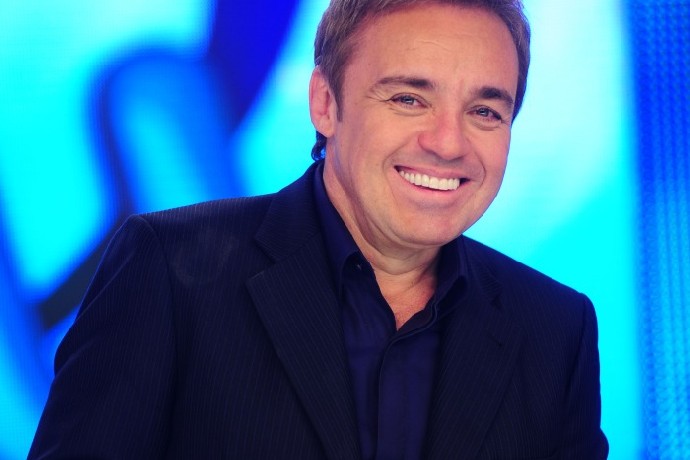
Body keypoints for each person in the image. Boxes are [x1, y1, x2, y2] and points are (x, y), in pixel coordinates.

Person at [29, 0, 609, 458]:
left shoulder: (556, 328)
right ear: (325, 104)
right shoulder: (167, 267)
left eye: (485, 111)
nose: (448, 143)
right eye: (409, 99)